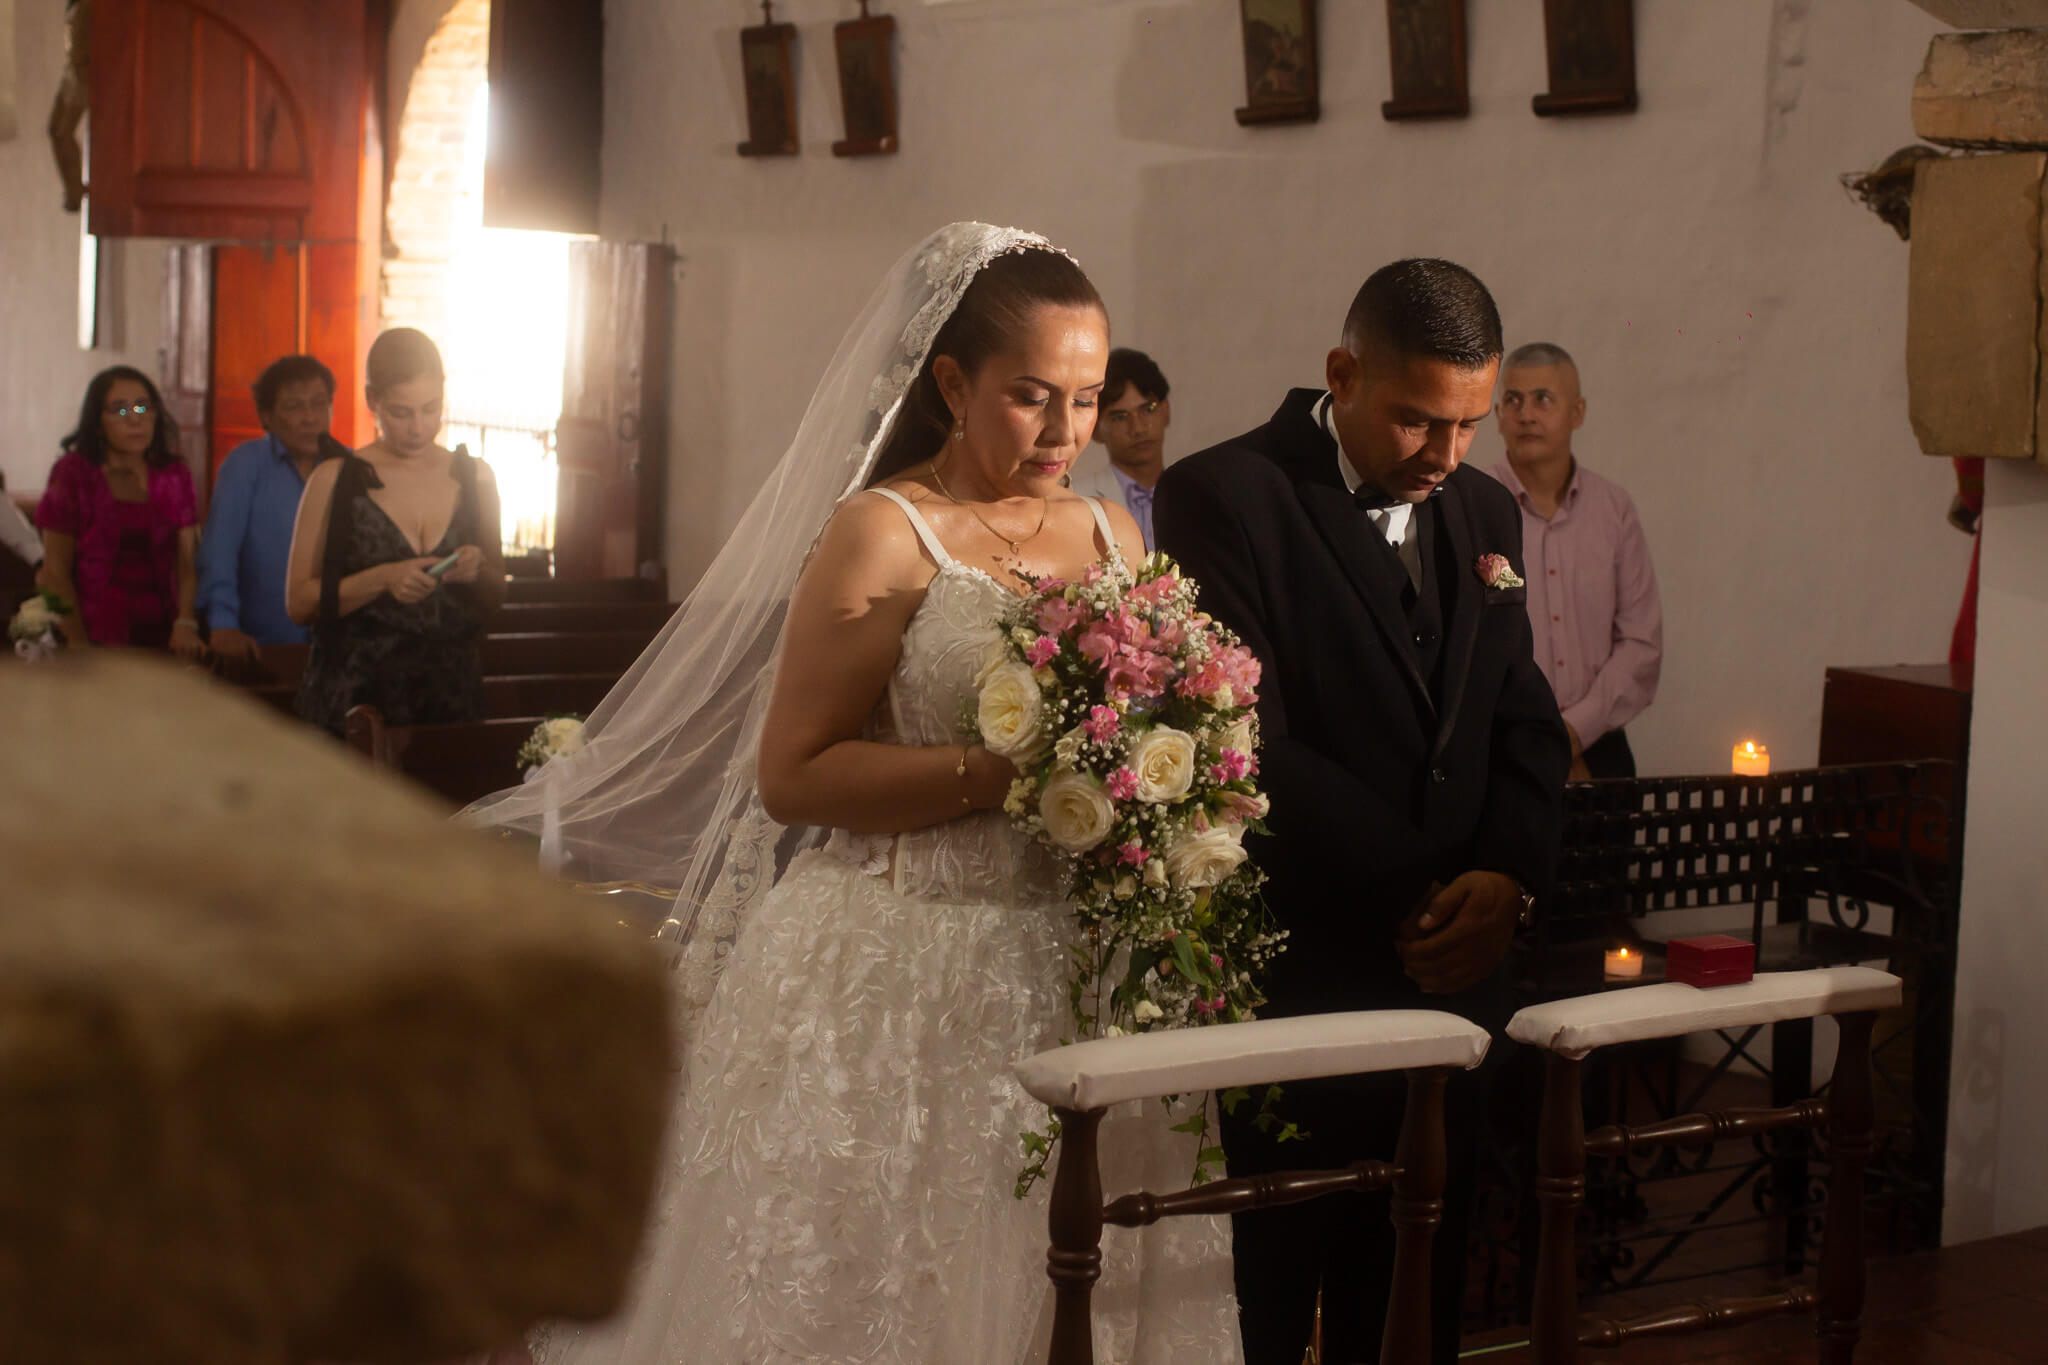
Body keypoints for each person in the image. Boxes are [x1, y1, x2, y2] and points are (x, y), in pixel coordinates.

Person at [462, 224, 1240, 1364]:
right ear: (951, 384)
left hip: (1080, 969)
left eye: (1085, 400)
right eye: (1031, 398)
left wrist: (1181, 780)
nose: (1065, 432)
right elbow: (793, 772)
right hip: (901, 964)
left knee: (1066, 1285)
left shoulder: (1112, 532)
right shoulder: (885, 531)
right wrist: (1010, 778)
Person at [1154, 259, 1571, 1365]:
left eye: (1469, 423)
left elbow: (1521, 715)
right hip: (1309, 968)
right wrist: (1422, 892)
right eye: (1417, 419)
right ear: (1341, 374)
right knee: (1274, 1287)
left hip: (1456, 977)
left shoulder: (1484, 509)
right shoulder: (1225, 494)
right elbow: (1250, 739)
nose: (1445, 454)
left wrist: (1508, 878)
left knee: (1416, 1295)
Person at [285, 329, 503, 735]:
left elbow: (496, 593)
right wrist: (383, 579)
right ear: (373, 400)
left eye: (431, 409)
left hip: (451, 694)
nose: (419, 428)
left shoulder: (476, 477)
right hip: (354, 696)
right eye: (402, 413)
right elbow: (298, 602)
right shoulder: (335, 479)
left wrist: (477, 568)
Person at [1488, 342, 1661, 780]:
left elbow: (1641, 643)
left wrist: (1574, 733)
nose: (1526, 414)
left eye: (1543, 399)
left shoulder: (1613, 509)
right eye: (1513, 400)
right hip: (1499, 752)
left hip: (1600, 746)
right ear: (1498, 416)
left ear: (1577, 413)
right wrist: (1542, 741)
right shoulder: (1473, 506)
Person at [34, 366, 204, 657]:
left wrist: (186, 622)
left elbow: (188, 563)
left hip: (166, 631)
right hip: (94, 631)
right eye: (119, 410)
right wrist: (77, 643)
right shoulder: (73, 474)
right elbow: (54, 572)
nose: (135, 419)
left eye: (143, 407)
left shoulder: (174, 474)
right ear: (98, 423)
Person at [197, 354, 348, 665]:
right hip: (259, 647)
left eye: (319, 403)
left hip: (339, 649)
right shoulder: (245, 465)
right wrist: (223, 623)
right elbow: (219, 552)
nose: (310, 418)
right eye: (294, 407)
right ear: (266, 417)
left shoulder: (352, 468)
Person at [1067, 346, 1172, 551]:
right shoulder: (1076, 499)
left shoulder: (1193, 496)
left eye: (1148, 409)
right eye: (1120, 417)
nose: (1138, 428)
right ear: (1095, 429)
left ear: (1166, 411)